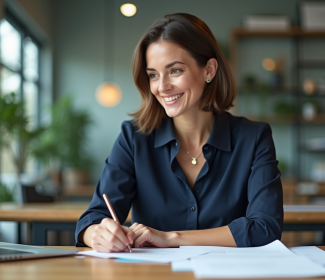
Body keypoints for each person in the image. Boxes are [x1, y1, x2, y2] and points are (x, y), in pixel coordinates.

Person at [75, 13, 283, 252]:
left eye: (174, 71)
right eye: (153, 75)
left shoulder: (254, 138)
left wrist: (171, 238)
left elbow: (265, 227)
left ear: (209, 70)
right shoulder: (133, 138)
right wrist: (97, 234)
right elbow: (93, 218)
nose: (162, 87)